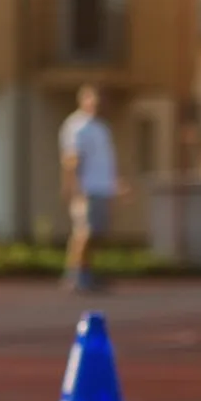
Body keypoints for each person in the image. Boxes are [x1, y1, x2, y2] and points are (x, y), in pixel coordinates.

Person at [58, 84, 121, 292]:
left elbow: (106, 160)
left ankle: (87, 272)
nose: (97, 103)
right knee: (83, 232)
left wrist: (116, 183)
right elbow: (71, 159)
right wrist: (73, 187)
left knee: (95, 234)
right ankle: (75, 275)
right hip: (86, 188)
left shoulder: (102, 127)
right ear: (83, 100)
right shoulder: (77, 126)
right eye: (93, 99)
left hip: (102, 187)